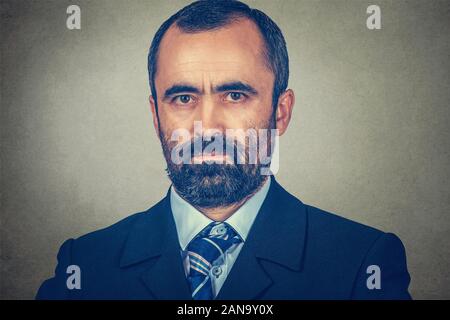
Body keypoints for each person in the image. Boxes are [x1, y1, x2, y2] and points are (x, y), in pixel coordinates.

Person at [36, 0, 411, 300]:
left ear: (280, 112)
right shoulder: (84, 265)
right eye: (183, 97)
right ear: (155, 116)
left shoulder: (361, 263)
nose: (208, 126)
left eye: (235, 95)